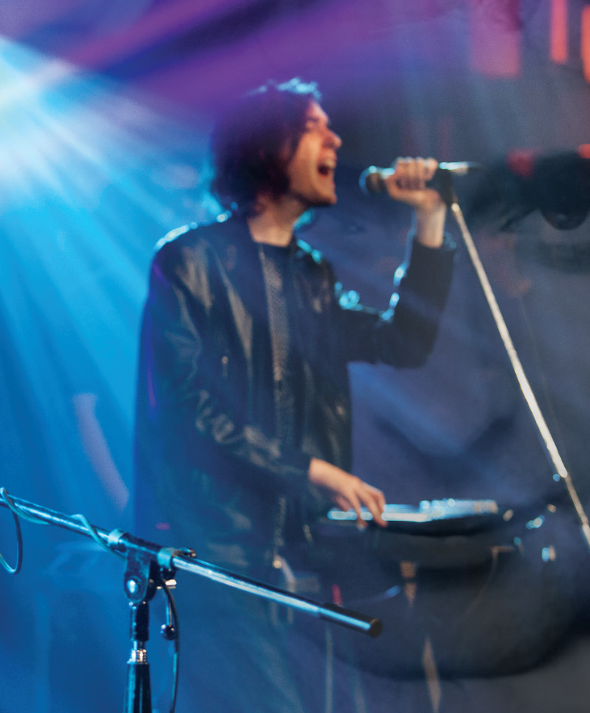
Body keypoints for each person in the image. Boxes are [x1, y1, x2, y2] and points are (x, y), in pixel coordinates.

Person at [133, 79, 454, 711]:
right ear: (266, 148)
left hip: (301, 554)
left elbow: (404, 343)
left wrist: (430, 223)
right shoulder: (189, 262)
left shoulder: (312, 275)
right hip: (216, 552)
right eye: (314, 125)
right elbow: (187, 411)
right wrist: (310, 470)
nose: (336, 138)